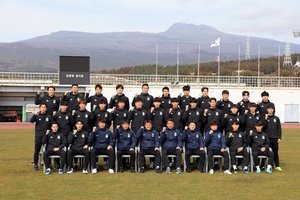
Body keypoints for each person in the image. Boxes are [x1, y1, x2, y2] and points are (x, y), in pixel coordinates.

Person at [30, 103, 52, 171]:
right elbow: (31, 121)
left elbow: (52, 125)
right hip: (38, 136)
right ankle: (36, 165)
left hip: (47, 137)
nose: (43, 108)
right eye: (42, 107)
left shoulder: (49, 116)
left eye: (44, 107)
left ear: (46, 108)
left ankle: (48, 164)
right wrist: (35, 114)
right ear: (40, 108)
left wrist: (49, 130)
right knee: (36, 151)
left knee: (48, 151)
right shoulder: (37, 116)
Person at [264, 104, 282, 171]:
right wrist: (265, 119)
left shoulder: (276, 118)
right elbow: (263, 127)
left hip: (274, 138)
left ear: (273, 110)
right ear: (267, 110)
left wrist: (279, 137)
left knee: (275, 152)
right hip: (267, 138)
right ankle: (264, 165)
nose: (270, 110)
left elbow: (279, 129)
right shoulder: (265, 118)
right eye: (269, 109)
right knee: (266, 152)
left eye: (272, 109)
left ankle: (277, 165)